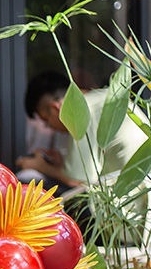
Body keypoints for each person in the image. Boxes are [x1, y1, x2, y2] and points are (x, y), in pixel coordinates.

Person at [17, 70, 147, 192]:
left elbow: (81, 181)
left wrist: (39, 166)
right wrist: (62, 163)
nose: (50, 128)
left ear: (55, 108)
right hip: (143, 188)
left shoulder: (81, 111)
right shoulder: (102, 97)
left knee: (27, 179)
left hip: (129, 198)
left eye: (46, 121)